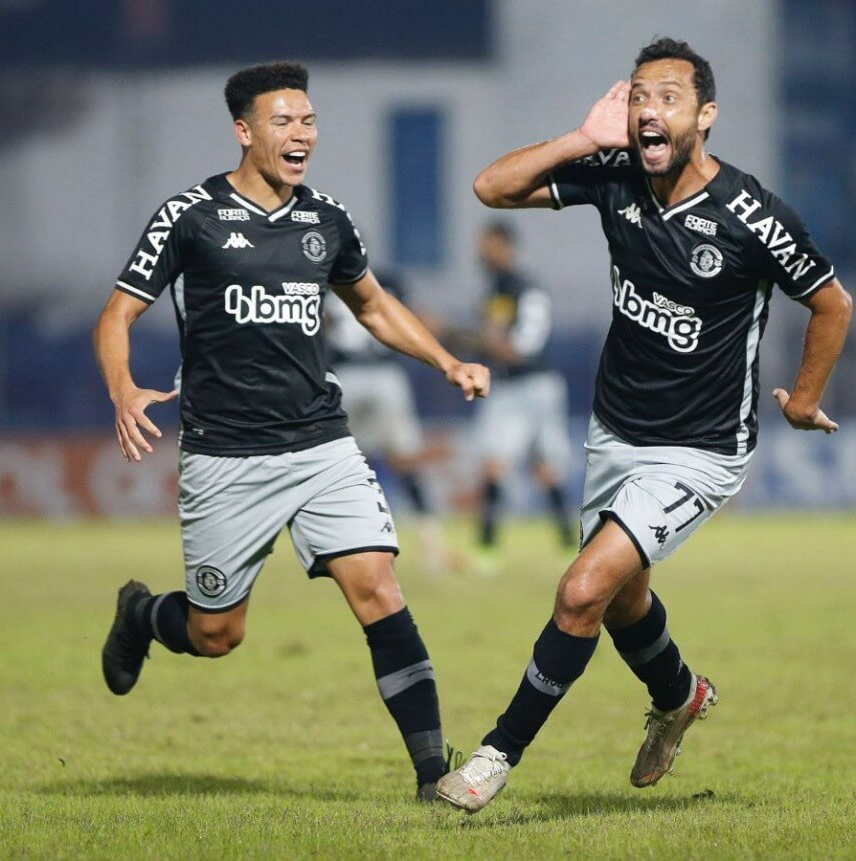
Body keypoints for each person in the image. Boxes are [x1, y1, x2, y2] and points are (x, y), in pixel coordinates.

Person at [436, 38, 853, 812]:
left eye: (667, 96)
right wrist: (581, 139)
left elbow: (832, 300)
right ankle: (680, 695)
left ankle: (493, 758)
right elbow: (490, 187)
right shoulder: (617, 173)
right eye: (639, 97)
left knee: (581, 590)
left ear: (706, 116)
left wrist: (801, 396)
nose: (649, 110)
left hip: (699, 449)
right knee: (625, 602)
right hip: (615, 431)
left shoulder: (751, 214)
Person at [93, 61, 490, 801]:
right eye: (284, 120)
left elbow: (373, 305)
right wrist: (122, 389)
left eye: (308, 119)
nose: (301, 132)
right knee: (218, 635)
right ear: (245, 131)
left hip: (321, 444)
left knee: (378, 588)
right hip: (225, 455)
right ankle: (144, 615)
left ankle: (434, 776)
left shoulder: (326, 220)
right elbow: (117, 313)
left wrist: (444, 358)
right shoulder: (190, 216)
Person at [324, 271, 450, 574]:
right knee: (404, 460)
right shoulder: (386, 280)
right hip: (385, 376)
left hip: (348, 375)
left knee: (346, 462)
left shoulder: (322, 279)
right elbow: (413, 318)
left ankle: (347, 544)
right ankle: (430, 541)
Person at [471, 221, 574, 564]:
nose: (481, 252)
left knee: (496, 465)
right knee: (546, 468)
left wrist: (449, 334)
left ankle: (487, 550)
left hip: (521, 385)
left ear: (504, 245)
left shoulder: (510, 286)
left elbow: (508, 345)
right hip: (538, 384)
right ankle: (567, 546)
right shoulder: (517, 285)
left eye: (487, 244)